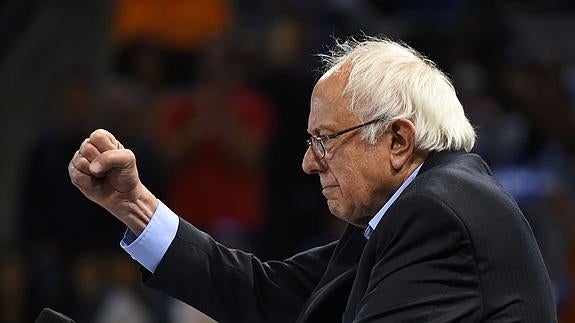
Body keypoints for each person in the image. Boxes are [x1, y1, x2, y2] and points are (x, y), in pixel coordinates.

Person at [68, 37, 557, 322]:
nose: (308, 162)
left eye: (324, 139)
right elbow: (265, 294)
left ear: (399, 141)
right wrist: (133, 205)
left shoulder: (437, 213)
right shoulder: (408, 211)